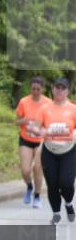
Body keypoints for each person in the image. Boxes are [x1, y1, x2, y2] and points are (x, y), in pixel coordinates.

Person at [33, 78, 76, 225]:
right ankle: (56, 213)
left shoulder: (73, 109)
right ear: (52, 89)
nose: (59, 90)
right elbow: (35, 128)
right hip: (49, 150)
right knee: (52, 184)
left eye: (62, 88)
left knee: (66, 183)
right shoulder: (44, 108)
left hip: (69, 151)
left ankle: (69, 203)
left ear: (67, 91)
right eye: (57, 87)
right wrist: (38, 130)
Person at [16, 76, 50, 207]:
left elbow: (51, 121)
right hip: (26, 138)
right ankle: (29, 187)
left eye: (38, 89)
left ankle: (37, 196)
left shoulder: (47, 103)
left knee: (37, 168)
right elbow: (16, 121)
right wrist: (24, 121)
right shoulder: (24, 101)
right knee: (25, 170)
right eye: (33, 89)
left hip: (41, 140)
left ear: (42, 89)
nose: (35, 91)